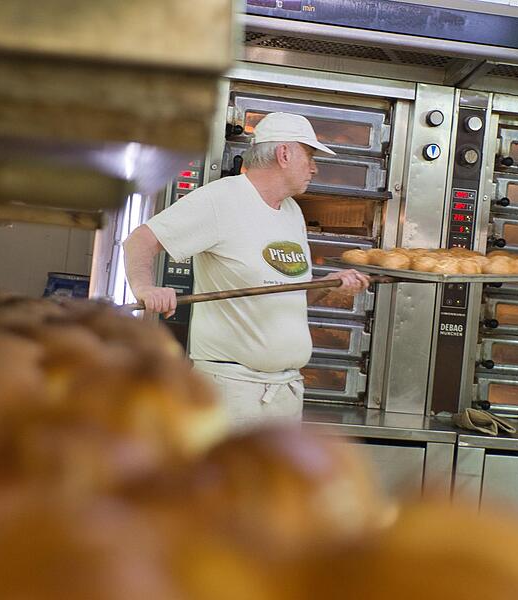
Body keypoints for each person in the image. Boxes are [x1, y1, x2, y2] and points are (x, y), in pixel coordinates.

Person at [124, 112, 370, 432]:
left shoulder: (291, 212)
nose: (314, 168)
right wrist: (144, 289)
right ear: (284, 154)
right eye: (309, 156)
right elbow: (139, 241)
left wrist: (326, 284)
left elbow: (287, 296)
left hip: (285, 393)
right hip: (231, 393)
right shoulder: (221, 199)